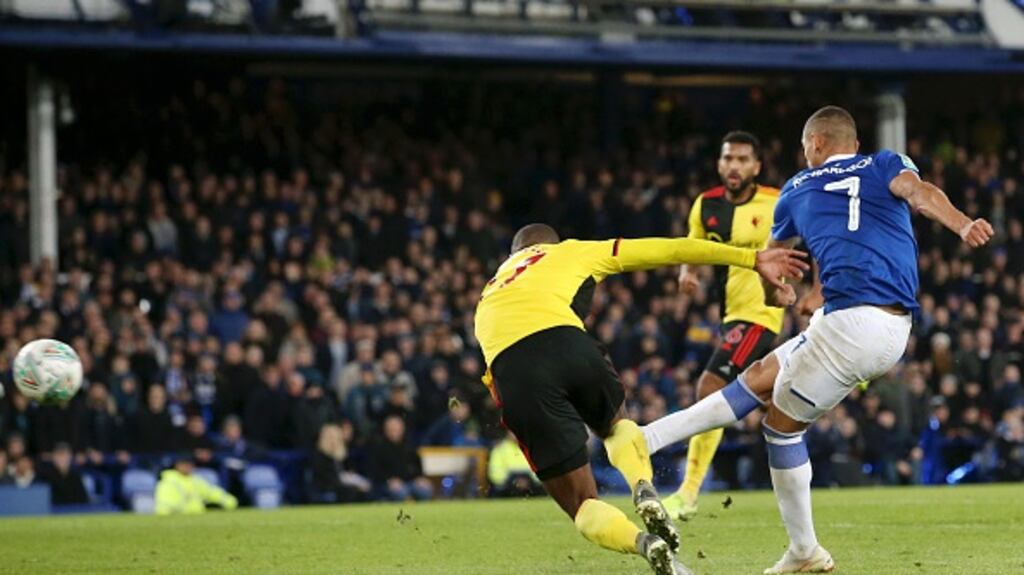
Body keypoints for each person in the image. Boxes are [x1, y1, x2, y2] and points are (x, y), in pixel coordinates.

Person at [640, 105, 993, 574]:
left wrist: (781, 291)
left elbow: (773, 264)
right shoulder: (885, 163)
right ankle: (654, 442)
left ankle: (650, 442)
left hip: (853, 324)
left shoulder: (795, 189)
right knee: (766, 393)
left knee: (771, 410)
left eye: (806, 146)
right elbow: (920, 195)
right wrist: (963, 223)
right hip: (883, 324)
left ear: (817, 144)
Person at [473, 223, 807, 575]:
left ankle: (643, 543)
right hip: (568, 343)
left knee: (582, 504)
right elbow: (670, 249)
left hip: (513, 370)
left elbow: (493, 374)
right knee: (616, 426)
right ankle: (641, 485)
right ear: (552, 245)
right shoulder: (572, 250)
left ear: (513, 256)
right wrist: (752, 259)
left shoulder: (489, 292)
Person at [669, 131, 783, 519]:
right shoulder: (706, 205)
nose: (734, 166)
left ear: (756, 166)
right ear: (719, 163)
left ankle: (687, 493)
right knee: (776, 402)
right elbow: (693, 242)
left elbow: (810, 239)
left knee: (709, 385)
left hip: (762, 313)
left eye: (742, 159)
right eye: (728, 158)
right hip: (730, 315)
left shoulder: (775, 200)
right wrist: (687, 272)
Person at [367, 415, 433, 501]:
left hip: (410, 482)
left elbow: (417, 466)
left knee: (425, 490)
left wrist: (420, 478)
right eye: (391, 428)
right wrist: (389, 480)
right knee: (400, 493)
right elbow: (375, 471)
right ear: (385, 429)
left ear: (402, 428)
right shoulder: (378, 447)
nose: (394, 431)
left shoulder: (410, 446)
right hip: (388, 484)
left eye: (397, 428)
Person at [154, 453, 238, 515]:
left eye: (190, 464)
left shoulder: (195, 480)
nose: (188, 466)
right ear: (177, 465)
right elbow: (164, 507)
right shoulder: (169, 480)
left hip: (197, 515)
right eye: (185, 464)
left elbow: (211, 492)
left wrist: (230, 501)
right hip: (180, 517)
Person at [310, 423, 371, 503]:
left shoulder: (337, 456)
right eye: (330, 438)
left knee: (364, 488)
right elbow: (326, 478)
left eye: (335, 437)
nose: (333, 440)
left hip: (337, 485)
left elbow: (340, 474)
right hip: (326, 487)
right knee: (351, 491)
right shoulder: (319, 456)